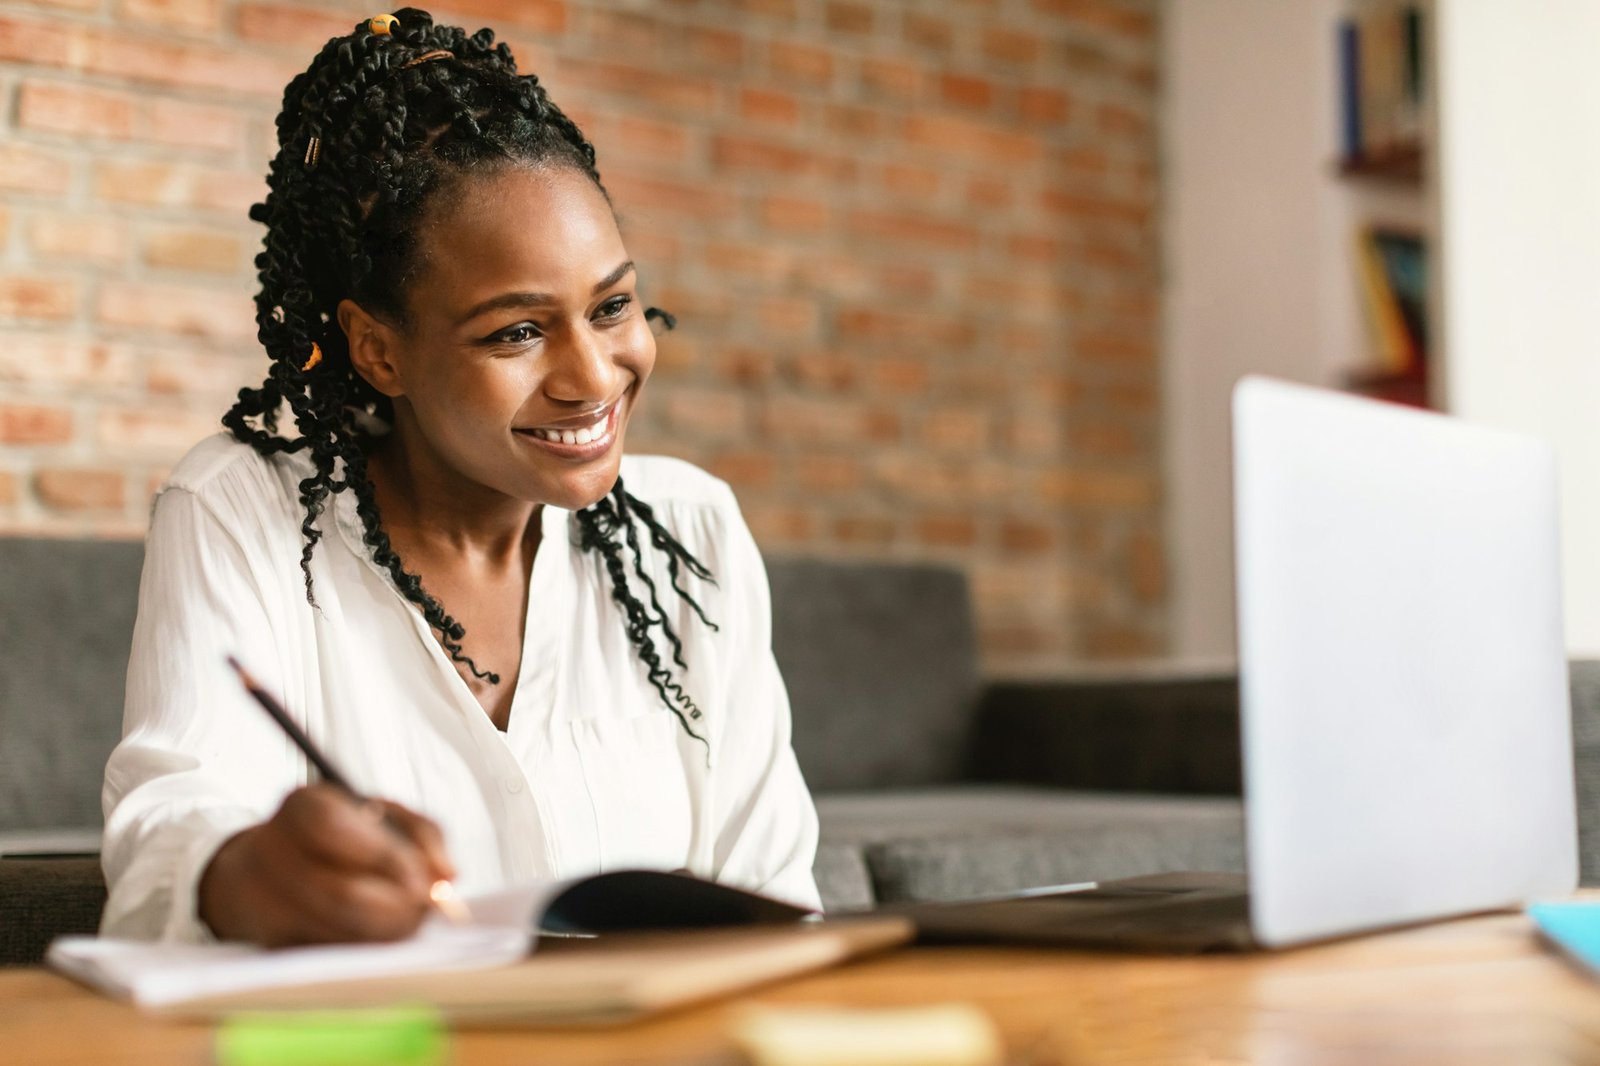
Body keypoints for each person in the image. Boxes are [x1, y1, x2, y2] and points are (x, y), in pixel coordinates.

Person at [100, 8, 821, 947]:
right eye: (517, 331)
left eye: (611, 306)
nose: (594, 378)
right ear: (377, 350)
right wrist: (237, 874)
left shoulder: (697, 530)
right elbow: (170, 829)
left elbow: (774, 897)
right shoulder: (242, 510)